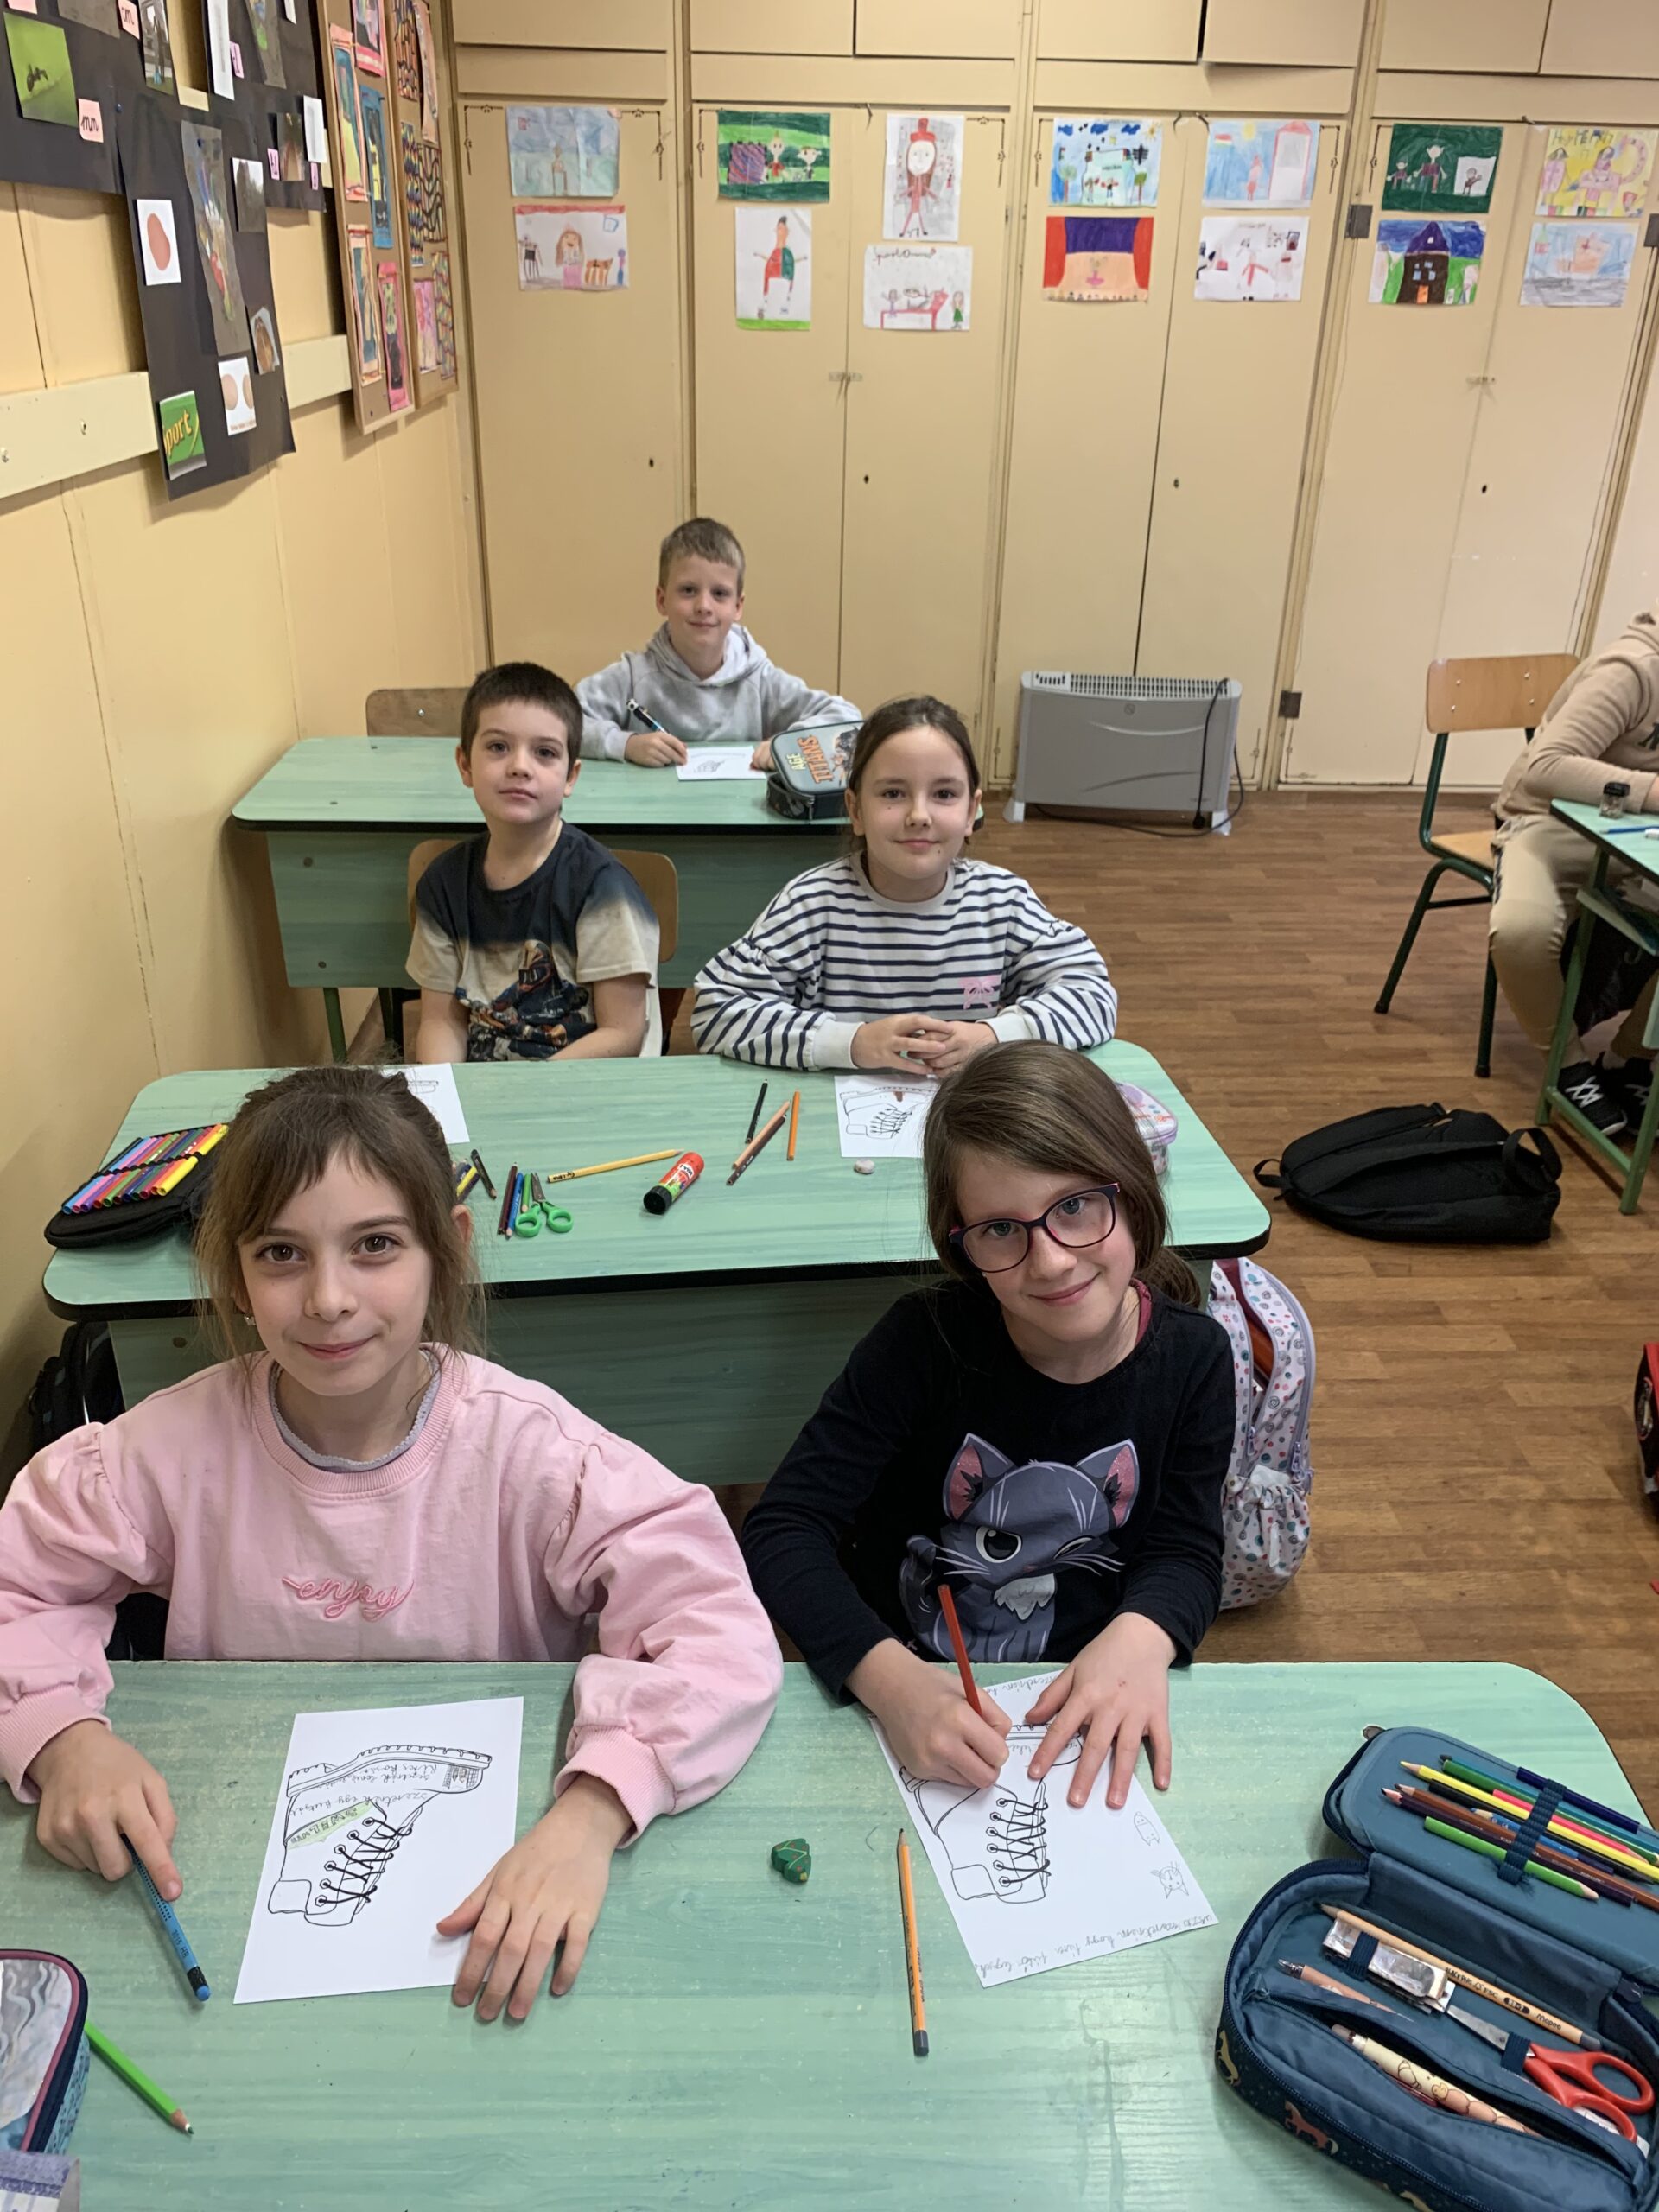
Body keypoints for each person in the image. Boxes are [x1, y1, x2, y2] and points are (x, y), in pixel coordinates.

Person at [0, 1067, 781, 2022]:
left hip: (498, 1858)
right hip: (231, 1858)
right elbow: (19, 1581)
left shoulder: (538, 1454)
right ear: (234, 1276)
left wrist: (594, 1809)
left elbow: (714, 1627)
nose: (329, 1298)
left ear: (448, 1249)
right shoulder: (170, 1450)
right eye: (281, 1253)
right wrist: (63, 1737)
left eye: (375, 1245)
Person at [741, 1044, 1231, 1813]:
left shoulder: (1196, 1359)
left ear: (1133, 1193)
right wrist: (888, 1679)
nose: (1052, 1262)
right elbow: (783, 1529)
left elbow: (1186, 1550)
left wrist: (1143, 1633)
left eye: (1076, 1207)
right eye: (1002, 1228)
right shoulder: (921, 1342)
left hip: (1086, 1691)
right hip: (906, 1682)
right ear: (960, 1243)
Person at [690, 696, 1116, 1071]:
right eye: (893, 793)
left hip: (966, 1119)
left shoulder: (1002, 903)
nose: (919, 815)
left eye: (944, 794)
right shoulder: (812, 905)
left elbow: (1093, 994)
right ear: (856, 810)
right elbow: (716, 1011)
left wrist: (993, 1035)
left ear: (972, 811)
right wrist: (854, 1042)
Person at [409, 661, 661, 1062]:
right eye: (498, 747)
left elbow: (621, 1035)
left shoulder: (603, 889)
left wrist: (524, 1091)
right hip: (484, 1084)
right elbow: (442, 1022)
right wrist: (448, 1092)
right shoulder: (442, 884)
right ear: (465, 764)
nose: (520, 767)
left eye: (545, 753)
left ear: (570, 777)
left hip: (580, 1084)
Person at [1489, 604, 1659, 1136]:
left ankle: (1630, 1058)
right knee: (1520, 930)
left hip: (1640, 835)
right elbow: (1545, 768)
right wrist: (1652, 792)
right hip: (1549, 822)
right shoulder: (1633, 669)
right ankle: (1567, 1066)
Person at [575, 518, 859, 771]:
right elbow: (566, 722)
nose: (704, 606)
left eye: (720, 593)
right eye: (688, 590)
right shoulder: (633, 676)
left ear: (738, 606)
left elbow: (847, 719)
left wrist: (789, 743)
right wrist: (626, 744)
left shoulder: (760, 680)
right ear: (662, 600)